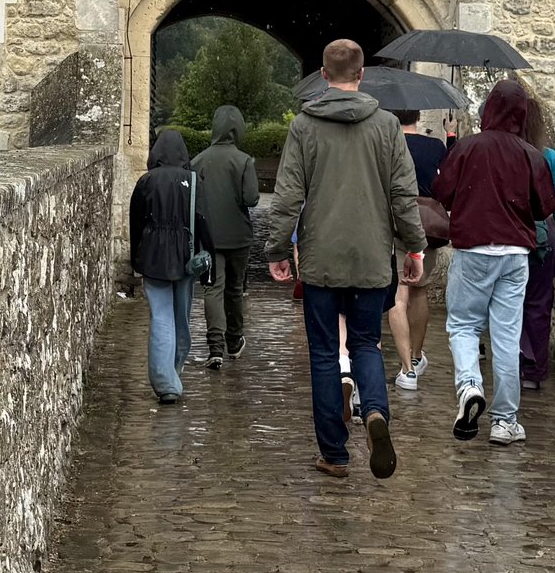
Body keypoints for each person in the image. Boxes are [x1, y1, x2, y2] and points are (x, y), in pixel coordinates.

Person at [264, 39, 423, 480]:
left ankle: (334, 453)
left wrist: (278, 249)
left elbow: (288, 195)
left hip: (321, 259)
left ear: (323, 72)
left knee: (323, 354)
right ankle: (375, 413)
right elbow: (403, 195)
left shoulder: (304, 126)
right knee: (366, 344)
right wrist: (413, 247)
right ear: (361, 74)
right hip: (372, 257)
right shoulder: (388, 126)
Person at [432, 77, 555, 447]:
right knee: (505, 336)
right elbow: (544, 206)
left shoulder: (469, 149)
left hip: (473, 250)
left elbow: (442, 192)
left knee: (463, 326)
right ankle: (505, 421)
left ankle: (469, 386)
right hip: (515, 255)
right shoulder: (531, 155)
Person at [128, 128, 203, 403]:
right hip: (186, 253)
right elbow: (202, 220)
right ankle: (175, 369)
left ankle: (165, 381)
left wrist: (135, 258)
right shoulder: (193, 180)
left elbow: (135, 221)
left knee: (161, 316)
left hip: (153, 254)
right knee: (181, 315)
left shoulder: (146, 181)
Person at [192, 105, 263, 367]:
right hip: (238, 236)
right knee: (234, 288)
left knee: (212, 288)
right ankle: (234, 340)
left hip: (209, 236)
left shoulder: (198, 161)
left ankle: (215, 347)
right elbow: (252, 199)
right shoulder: (243, 160)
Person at [518, 91, 555, 395]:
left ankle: (513, 360)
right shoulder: (548, 156)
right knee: (539, 303)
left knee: (510, 303)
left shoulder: (509, 152)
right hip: (542, 238)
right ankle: (534, 369)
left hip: (511, 236)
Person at [390, 107, 446, 392]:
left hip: (395, 223)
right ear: (418, 116)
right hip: (428, 226)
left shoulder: (389, 141)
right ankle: (416, 355)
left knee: (398, 297)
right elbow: (445, 184)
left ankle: (407, 370)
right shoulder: (435, 146)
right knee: (420, 290)